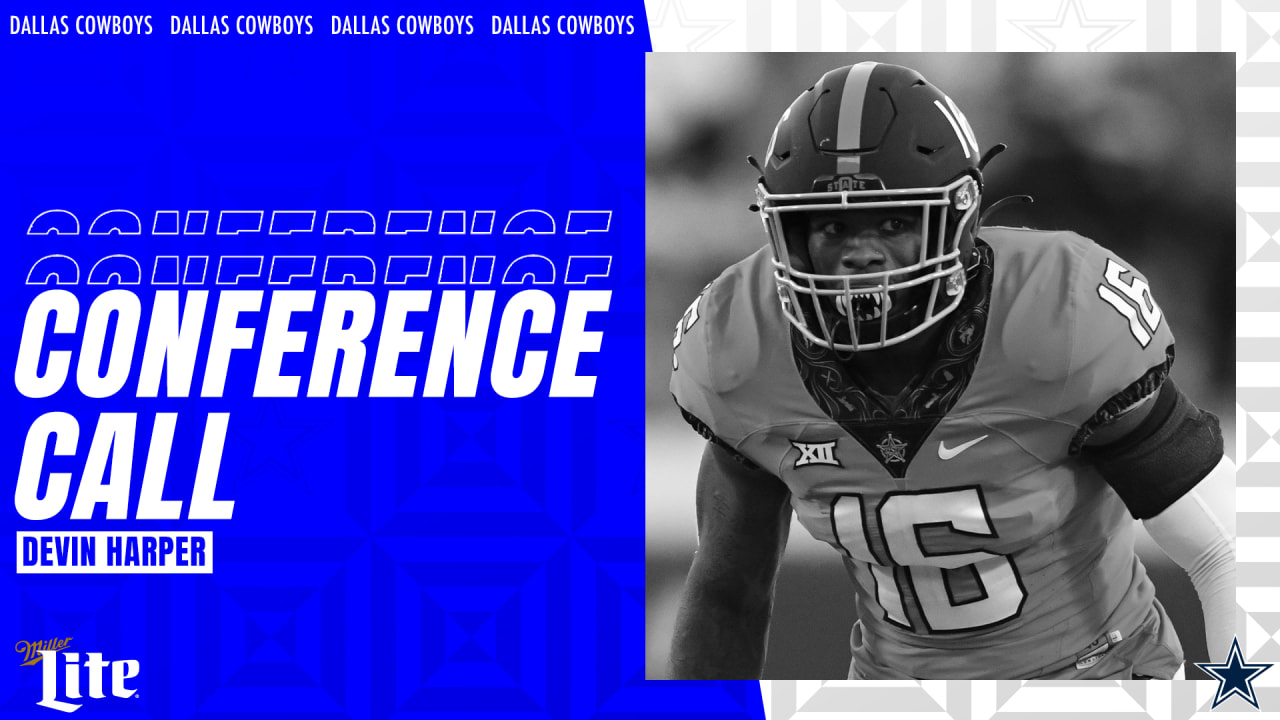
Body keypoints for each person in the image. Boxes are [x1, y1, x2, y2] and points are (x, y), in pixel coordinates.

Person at [667, 61, 1235, 680]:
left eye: (892, 221)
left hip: (1097, 681)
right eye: (830, 225)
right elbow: (729, 593)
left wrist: (1245, 700)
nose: (861, 253)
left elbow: (1227, 549)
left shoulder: (1057, 318)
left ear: (961, 219)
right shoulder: (742, 345)